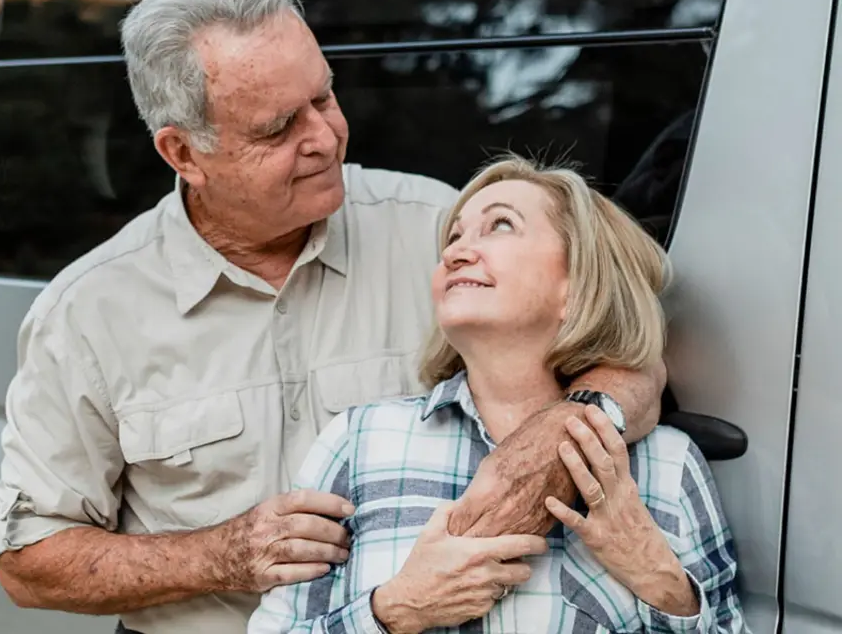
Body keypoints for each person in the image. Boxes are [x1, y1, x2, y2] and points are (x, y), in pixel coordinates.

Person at [0, 0, 666, 634]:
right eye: (278, 128)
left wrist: (567, 428)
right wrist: (221, 557)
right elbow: (27, 559)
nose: (324, 138)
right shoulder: (85, 312)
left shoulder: (440, 230)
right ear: (183, 153)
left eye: (325, 97)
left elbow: (639, 357)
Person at [247, 156, 743, 634]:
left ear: (577, 284)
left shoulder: (668, 465)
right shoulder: (359, 443)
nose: (455, 251)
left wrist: (659, 579)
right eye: (455, 235)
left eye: (500, 226)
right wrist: (394, 611)